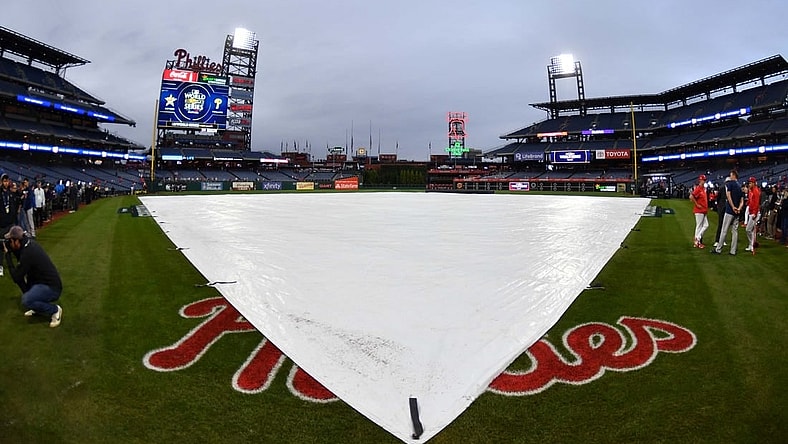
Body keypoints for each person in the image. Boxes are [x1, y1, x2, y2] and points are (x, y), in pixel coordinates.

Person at [3, 225, 63, 328]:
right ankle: (37, 307)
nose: (9, 243)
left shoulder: (28, 252)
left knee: (27, 300)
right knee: (28, 282)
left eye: (11, 241)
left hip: (52, 288)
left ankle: (55, 310)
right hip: (42, 282)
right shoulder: (28, 244)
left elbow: (16, 277)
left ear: (17, 241)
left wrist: (8, 255)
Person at [712, 170, 744, 255]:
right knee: (735, 231)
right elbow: (742, 201)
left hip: (730, 211)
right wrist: (739, 208)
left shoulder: (730, 184)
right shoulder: (739, 186)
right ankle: (733, 251)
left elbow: (728, 196)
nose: (730, 177)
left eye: (731, 175)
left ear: (733, 175)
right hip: (737, 212)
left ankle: (718, 249)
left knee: (724, 230)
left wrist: (733, 207)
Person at [690, 174, 709, 248]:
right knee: (699, 226)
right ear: (700, 180)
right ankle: (697, 241)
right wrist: (697, 204)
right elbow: (691, 196)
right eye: (703, 180)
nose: (704, 181)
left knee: (705, 225)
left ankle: (697, 239)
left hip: (703, 210)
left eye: (704, 180)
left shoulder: (703, 189)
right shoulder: (698, 188)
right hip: (699, 210)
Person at [744, 177, 761, 254]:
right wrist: (747, 203)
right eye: (749, 183)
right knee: (750, 230)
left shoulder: (756, 191)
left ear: (754, 183)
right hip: (751, 212)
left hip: (754, 213)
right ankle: (751, 244)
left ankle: (752, 245)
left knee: (749, 229)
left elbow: (757, 203)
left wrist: (754, 213)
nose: (749, 184)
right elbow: (751, 200)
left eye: (751, 183)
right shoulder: (750, 191)